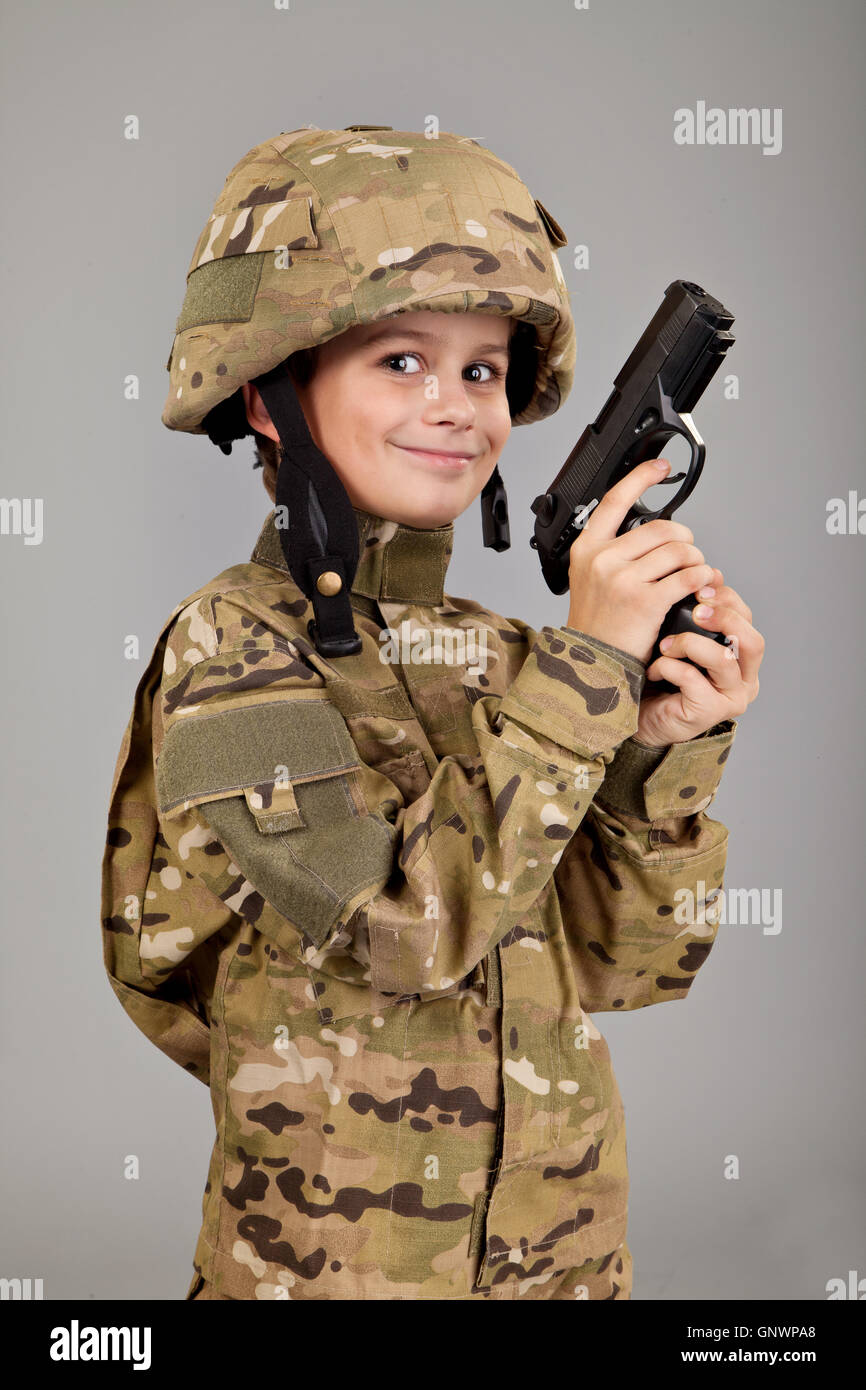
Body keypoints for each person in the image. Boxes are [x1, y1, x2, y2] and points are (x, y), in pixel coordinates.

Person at [100, 124, 763, 1301]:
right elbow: (400, 930)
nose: (456, 406)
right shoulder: (231, 642)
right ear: (269, 395)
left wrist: (661, 749)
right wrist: (586, 673)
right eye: (399, 361)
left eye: (482, 370)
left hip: (563, 1272)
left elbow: (629, 964)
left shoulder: (515, 659)